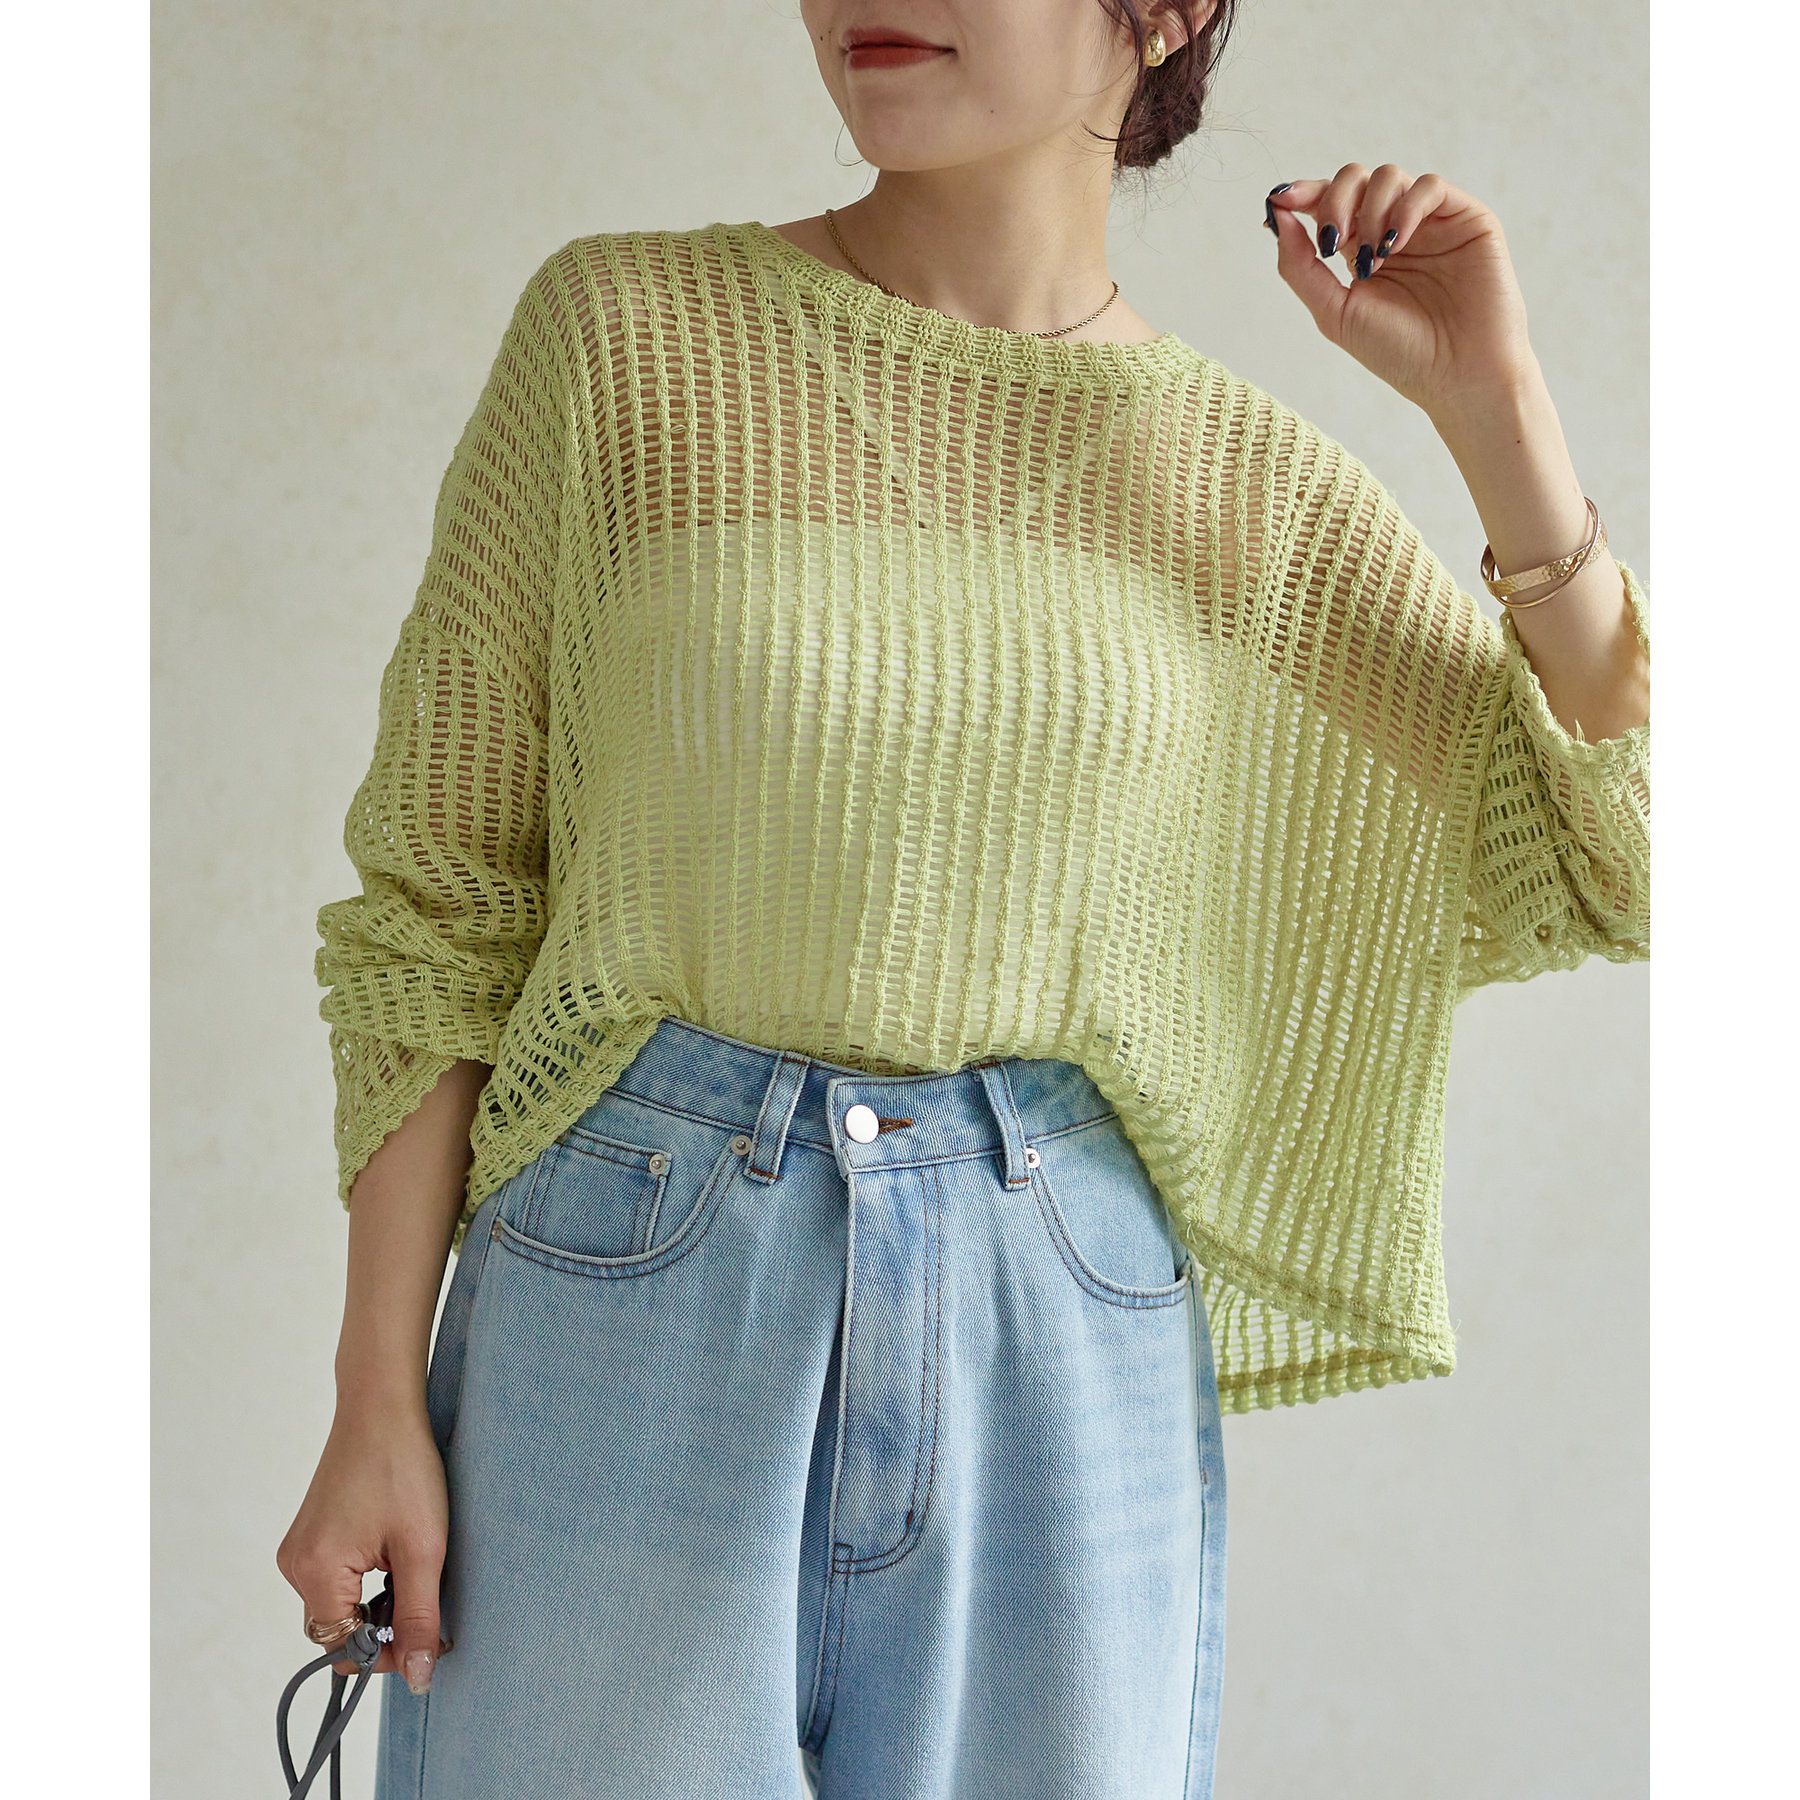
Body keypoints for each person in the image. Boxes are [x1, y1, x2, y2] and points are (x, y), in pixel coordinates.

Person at [276, 4, 1652, 1796]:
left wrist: (1499, 413)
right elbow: (442, 902)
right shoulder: (624, 338)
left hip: (1053, 1333)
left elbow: (1621, 859)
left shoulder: (1243, 487)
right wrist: (374, 1396)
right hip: (632, 1294)